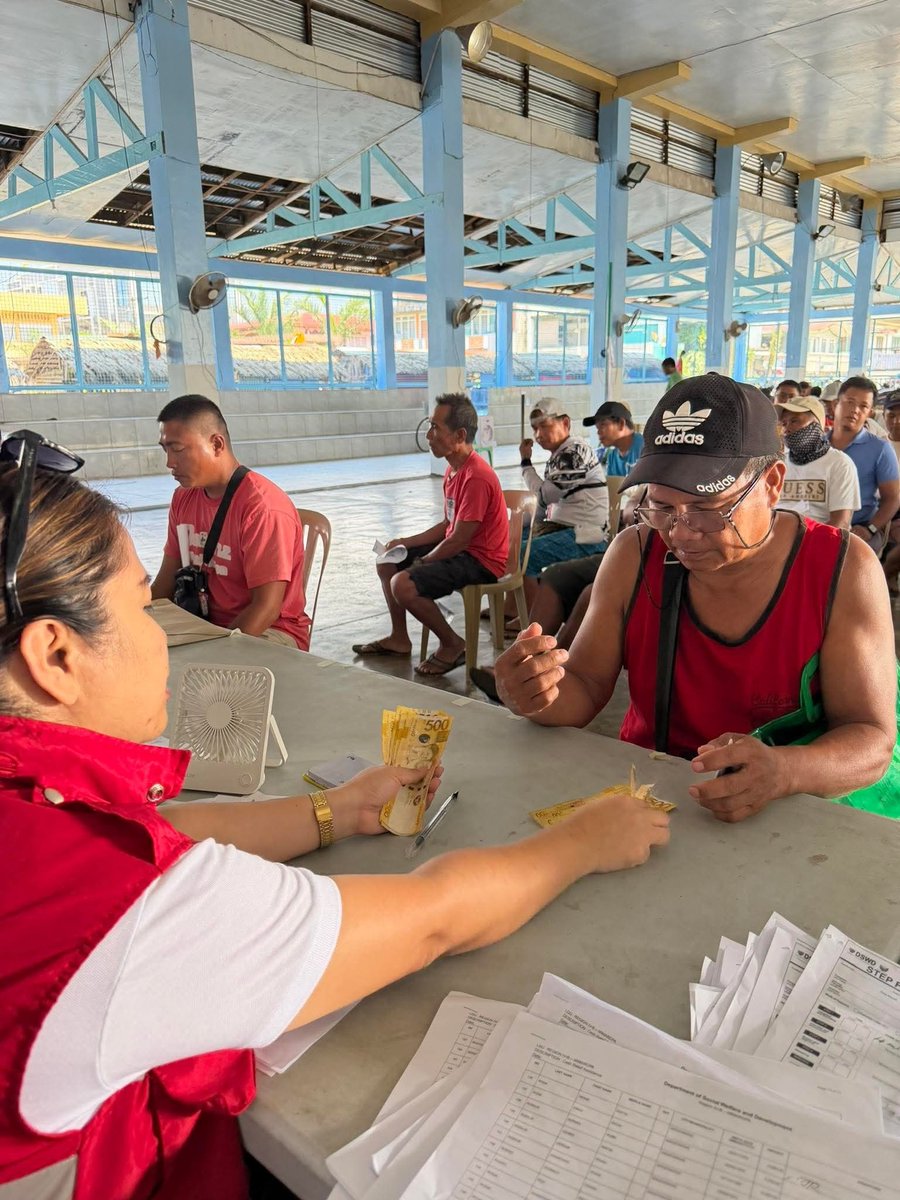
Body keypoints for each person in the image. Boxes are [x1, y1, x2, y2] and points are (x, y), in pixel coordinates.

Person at [0, 433, 670, 1198]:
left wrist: (334, 810)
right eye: (140, 607)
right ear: (55, 655)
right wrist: (584, 839)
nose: (160, 629)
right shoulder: (117, 915)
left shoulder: (36, 814)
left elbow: (167, 833)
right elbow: (431, 918)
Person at [493, 374, 898, 823]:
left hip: (792, 818)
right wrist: (534, 691)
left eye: (708, 509)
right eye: (663, 507)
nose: (680, 534)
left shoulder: (841, 569)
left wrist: (784, 770)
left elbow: (871, 739)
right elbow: (585, 686)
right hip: (655, 802)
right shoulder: (635, 554)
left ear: (772, 483)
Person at [352, 393, 508, 676]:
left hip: (480, 560)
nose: (429, 434)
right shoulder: (453, 471)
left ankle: (452, 643)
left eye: (436, 427)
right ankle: (399, 637)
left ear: (459, 435)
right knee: (387, 562)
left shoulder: (477, 476)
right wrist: (405, 543)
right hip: (459, 549)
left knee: (404, 583)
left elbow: (460, 539)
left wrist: (424, 562)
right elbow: (448, 526)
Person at [150, 395, 311, 649]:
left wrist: (213, 650)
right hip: (206, 626)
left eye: (178, 449)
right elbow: (165, 581)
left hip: (269, 632)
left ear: (216, 444)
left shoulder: (261, 507)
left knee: (194, 675)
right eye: (165, 449)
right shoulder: (183, 497)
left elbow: (266, 609)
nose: (169, 462)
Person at [516, 399, 608, 611]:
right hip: (563, 528)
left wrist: (525, 464)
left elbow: (545, 495)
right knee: (513, 542)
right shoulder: (561, 454)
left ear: (565, 423)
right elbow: (540, 509)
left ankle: (530, 618)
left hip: (587, 535)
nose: (538, 435)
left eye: (544, 426)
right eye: (535, 428)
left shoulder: (573, 454)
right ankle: (515, 608)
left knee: (523, 554)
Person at [828, 376, 900, 553]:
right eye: (850, 402)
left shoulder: (880, 448)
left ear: (869, 413)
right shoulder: (817, 446)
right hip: (818, 527)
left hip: (859, 530)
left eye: (863, 406)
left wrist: (871, 528)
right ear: (835, 404)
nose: (855, 410)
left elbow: (892, 498)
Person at [774, 394, 860, 528]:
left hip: (820, 540)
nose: (787, 429)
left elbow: (840, 522)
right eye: (784, 423)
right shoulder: (779, 463)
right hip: (779, 537)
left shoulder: (839, 463)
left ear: (816, 424)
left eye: (794, 421)